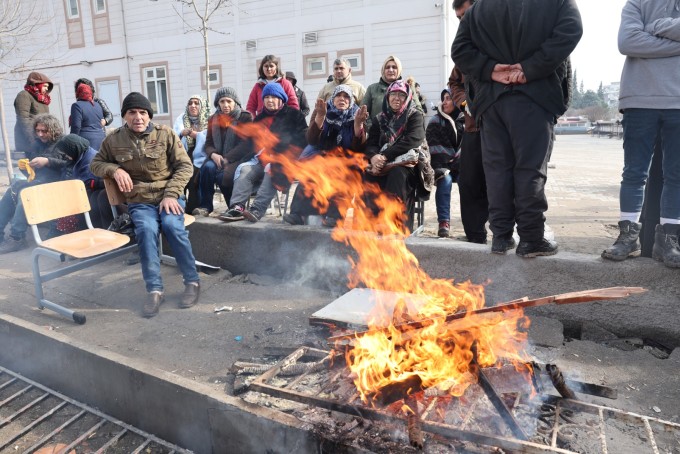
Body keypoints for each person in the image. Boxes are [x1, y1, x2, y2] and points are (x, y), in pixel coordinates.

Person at [451, 0, 582, 257]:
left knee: (498, 170)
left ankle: (501, 236)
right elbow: (571, 30)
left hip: (492, 101)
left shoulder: (479, 9)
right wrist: (529, 68)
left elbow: (460, 50)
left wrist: (490, 70)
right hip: (535, 96)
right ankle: (531, 237)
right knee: (529, 168)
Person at [90, 92, 200, 318]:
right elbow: (96, 164)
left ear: (149, 115)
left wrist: (171, 194)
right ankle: (154, 290)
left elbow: (185, 166)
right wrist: (115, 169)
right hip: (140, 201)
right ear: (124, 116)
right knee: (146, 231)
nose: (138, 117)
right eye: (132, 113)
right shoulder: (114, 139)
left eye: (142, 112)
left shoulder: (166, 134)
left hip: (168, 195)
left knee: (173, 227)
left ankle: (192, 282)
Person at [602, 0, 680, 268]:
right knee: (634, 173)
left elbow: (640, 40)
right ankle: (628, 236)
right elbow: (628, 42)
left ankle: (668, 240)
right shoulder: (636, 3)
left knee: (676, 174)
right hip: (638, 98)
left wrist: (656, 28)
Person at [219, 83, 308, 223]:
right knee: (244, 169)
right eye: (266, 97)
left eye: (273, 97)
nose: (270, 100)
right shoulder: (260, 118)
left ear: (282, 99)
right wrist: (229, 158)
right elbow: (249, 143)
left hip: (285, 161)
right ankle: (237, 208)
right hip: (261, 159)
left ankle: (257, 209)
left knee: (272, 169)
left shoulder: (294, 115)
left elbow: (302, 140)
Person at [283, 85, 369, 227]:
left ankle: (336, 216)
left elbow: (359, 148)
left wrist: (358, 126)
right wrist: (320, 118)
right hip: (323, 156)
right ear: (332, 98)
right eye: (338, 96)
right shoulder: (322, 111)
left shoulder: (357, 115)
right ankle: (298, 214)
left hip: (347, 159)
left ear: (351, 100)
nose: (342, 99)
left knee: (345, 174)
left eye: (346, 96)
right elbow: (311, 140)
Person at [364, 80, 432, 222]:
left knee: (397, 174)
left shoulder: (414, 115)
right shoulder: (379, 119)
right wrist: (374, 157)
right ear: (387, 97)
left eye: (401, 95)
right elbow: (371, 143)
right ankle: (372, 222)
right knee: (368, 174)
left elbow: (412, 140)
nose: (397, 98)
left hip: (408, 165)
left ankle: (395, 222)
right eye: (393, 94)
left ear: (407, 97)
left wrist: (384, 156)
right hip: (383, 163)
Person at [449, 0, 489, 244]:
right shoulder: (464, 49)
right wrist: (464, 103)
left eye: (466, 14)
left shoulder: (497, 37)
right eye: (459, 18)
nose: (463, 21)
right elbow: (454, 82)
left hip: (502, 127)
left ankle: (505, 233)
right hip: (473, 127)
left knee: (502, 182)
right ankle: (475, 237)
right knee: (469, 182)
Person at [0, 114, 67, 254]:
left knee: (25, 194)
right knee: (13, 188)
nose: (40, 134)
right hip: (39, 181)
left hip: (57, 184)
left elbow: (69, 164)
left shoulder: (64, 143)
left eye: (44, 131)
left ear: (53, 130)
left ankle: (17, 238)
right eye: (38, 131)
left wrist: (47, 161)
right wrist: (27, 168)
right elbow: (34, 173)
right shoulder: (37, 145)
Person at [197, 87, 253, 215]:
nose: (225, 105)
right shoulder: (213, 119)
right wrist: (213, 154)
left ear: (235, 102)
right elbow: (209, 143)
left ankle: (232, 207)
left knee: (224, 175)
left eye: (229, 101)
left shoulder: (244, 117)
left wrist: (227, 158)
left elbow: (246, 145)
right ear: (218, 103)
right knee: (207, 168)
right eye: (222, 101)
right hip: (217, 157)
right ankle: (205, 207)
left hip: (238, 158)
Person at [426, 88, 462, 238]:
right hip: (442, 163)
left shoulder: (465, 119)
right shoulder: (436, 120)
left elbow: (467, 145)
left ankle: (471, 222)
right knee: (445, 180)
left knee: (467, 181)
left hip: (461, 164)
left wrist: (458, 160)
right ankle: (444, 222)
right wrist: (449, 161)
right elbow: (434, 145)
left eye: (449, 98)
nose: (445, 101)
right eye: (444, 98)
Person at [53, 134, 107, 234]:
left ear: (73, 150)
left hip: (90, 194)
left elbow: (84, 184)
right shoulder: (81, 155)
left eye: (67, 153)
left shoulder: (89, 161)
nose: (66, 156)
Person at [173, 95, 209, 215]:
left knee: (194, 177)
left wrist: (196, 135)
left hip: (204, 154)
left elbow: (209, 138)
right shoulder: (181, 119)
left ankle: (193, 208)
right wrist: (181, 133)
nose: (193, 106)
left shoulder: (208, 119)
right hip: (184, 152)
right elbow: (174, 136)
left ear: (201, 106)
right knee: (179, 174)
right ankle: (179, 206)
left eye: (196, 103)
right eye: (190, 103)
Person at [362, 56, 422, 128]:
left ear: (399, 70)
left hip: (402, 135)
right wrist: (372, 128)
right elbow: (362, 112)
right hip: (377, 135)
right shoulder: (372, 89)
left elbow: (418, 111)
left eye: (394, 67)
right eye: (387, 67)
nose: (391, 70)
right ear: (383, 70)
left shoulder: (407, 88)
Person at [14, 72, 53, 154]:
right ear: (37, 84)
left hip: (42, 139)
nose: (46, 89)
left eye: (47, 87)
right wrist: (34, 140)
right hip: (29, 142)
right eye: (45, 86)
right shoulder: (24, 95)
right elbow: (23, 119)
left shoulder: (42, 99)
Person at [70, 83, 106, 151]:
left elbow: (76, 126)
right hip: (101, 139)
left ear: (78, 93)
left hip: (86, 141)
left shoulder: (76, 106)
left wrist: (71, 141)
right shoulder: (97, 105)